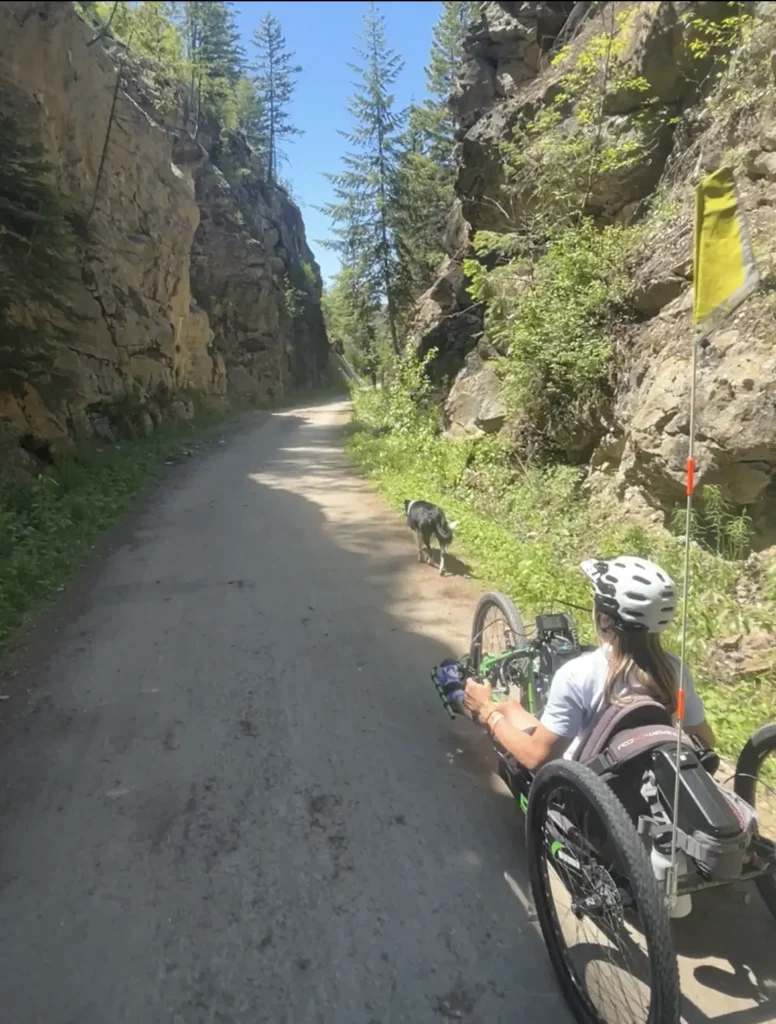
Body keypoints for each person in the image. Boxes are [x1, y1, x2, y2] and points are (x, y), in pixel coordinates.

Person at [463, 556, 716, 771]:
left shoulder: (578, 675)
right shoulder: (675, 671)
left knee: (500, 712)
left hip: (584, 783)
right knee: (510, 707)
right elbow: (704, 739)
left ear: (605, 618)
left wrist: (486, 710)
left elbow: (536, 758)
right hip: (644, 775)